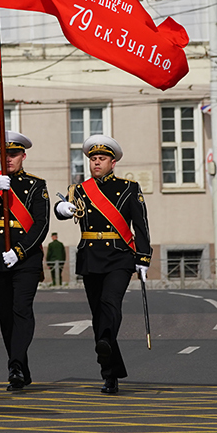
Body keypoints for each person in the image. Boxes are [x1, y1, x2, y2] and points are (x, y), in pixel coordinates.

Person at [55, 135, 152, 394]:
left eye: (102, 159)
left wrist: (143, 258)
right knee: (98, 315)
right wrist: (61, 208)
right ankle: (110, 373)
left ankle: (107, 343)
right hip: (90, 256)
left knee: (111, 303)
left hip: (120, 256)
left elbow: (141, 225)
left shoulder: (129, 188)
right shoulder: (80, 189)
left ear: (113, 163)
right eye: (93, 159)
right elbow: (62, 207)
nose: (97, 163)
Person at [0, 130, 49, 391]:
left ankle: (15, 364)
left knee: (21, 309)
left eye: (14, 154)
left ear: (23, 156)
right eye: (3, 154)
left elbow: (41, 225)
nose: (8, 159)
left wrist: (19, 250)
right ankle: (21, 368)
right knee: (5, 315)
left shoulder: (36, 185)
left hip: (25, 256)